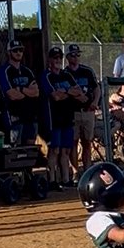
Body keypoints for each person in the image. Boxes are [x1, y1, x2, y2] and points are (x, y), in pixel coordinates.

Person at [40, 46, 78, 188]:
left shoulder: (66, 75)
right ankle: (52, 180)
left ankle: (66, 179)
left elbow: (78, 92)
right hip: (53, 118)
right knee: (54, 150)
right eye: (54, 58)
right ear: (49, 59)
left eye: (59, 58)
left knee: (66, 150)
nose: (57, 60)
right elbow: (55, 96)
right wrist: (69, 92)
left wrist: (65, 91)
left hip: (67, 117)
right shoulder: (46, 76)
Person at [63, 44, 101, 173]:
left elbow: (96, 88)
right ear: (68, 57)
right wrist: (79, 96)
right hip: (73, 112)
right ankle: (75, 171)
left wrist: (95, 102)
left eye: (78, 54)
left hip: (88, 111)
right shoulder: (65, 73)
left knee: (87, 142)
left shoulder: (87, 71)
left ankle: (87, 170)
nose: (76, 57)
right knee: (73, 143)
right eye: (73, 55)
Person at [0, 40, 39, 145]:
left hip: (29, 114)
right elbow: (12, 95)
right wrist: (27, 91)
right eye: (15, 50)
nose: (18, 53)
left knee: (30, 144)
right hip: (14, 115)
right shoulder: (4, 71)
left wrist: (20, 89)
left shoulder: (27, 71)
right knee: (16, 146)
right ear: (9, 53)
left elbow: (36, 92)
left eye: (20, 50)